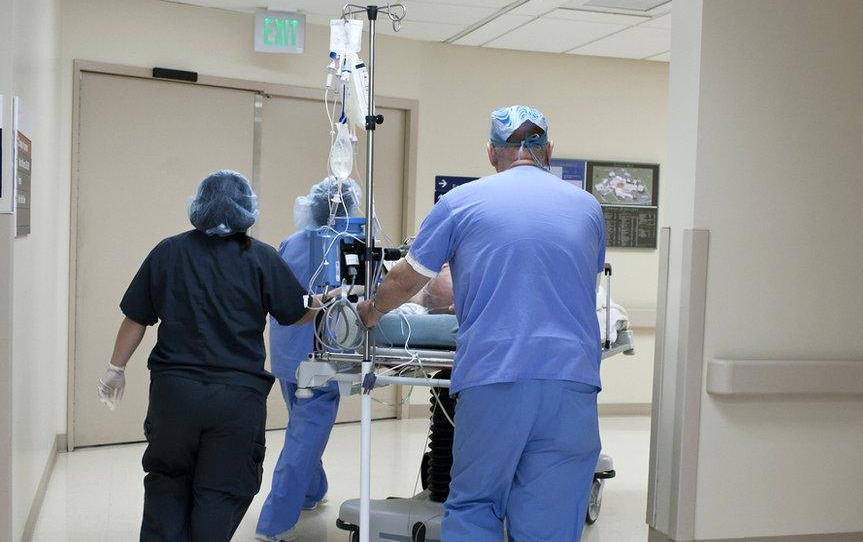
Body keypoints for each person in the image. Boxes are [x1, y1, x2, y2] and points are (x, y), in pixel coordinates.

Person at [357, 106, 606, 541]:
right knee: (551, 515)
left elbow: (406, 278)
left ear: (492, 153)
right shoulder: (587, 208)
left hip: (496, 377)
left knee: (476, 505)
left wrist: (372, 310)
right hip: (572, 380)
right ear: (548, 151)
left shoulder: (460, 203)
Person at [96, 170, 323, 542]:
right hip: (236, 399)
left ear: (198, 206)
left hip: (175, 397)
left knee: (166, 483)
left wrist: (114, 369)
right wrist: (320, 304)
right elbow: (295, 311)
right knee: (221, 489)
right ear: (247, 209)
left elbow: (136, 316)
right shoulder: (262, 258)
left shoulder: (168, 251)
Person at [255, 177, 360, 541]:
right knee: (302, 439)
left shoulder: (292, 242)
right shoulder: (352, 244)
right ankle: (275, 522)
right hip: (322, 358)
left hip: (287, 353)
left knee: (302, 428)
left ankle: (312, 492)